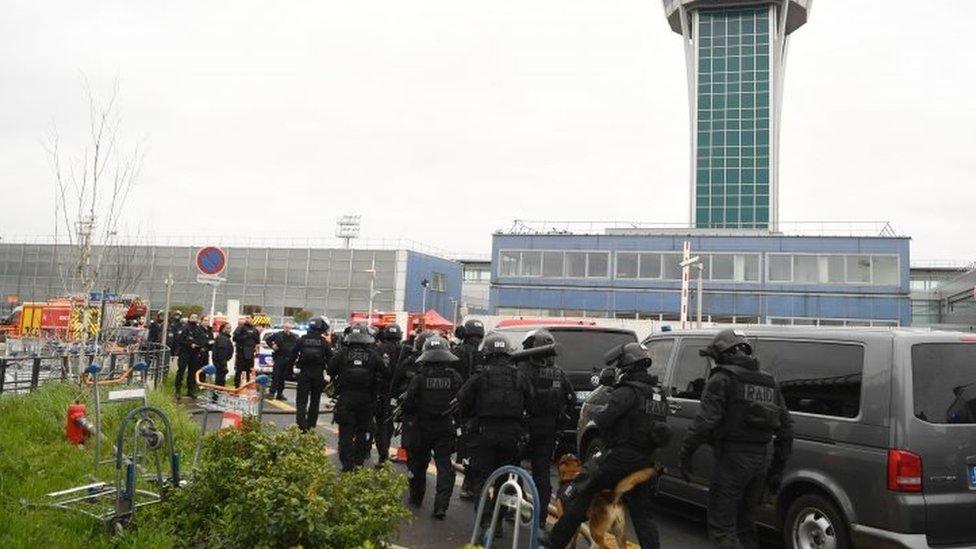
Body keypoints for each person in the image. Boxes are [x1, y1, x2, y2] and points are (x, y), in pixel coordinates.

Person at [547, 343, 672, 549]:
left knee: (583, 495)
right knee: (643, 515)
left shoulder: (627, 392)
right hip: (645, 461)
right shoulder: (657, 394)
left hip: (620, 458)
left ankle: (555, 543)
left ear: (626, 365)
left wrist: (599, 415)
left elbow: (604, 421)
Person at [678, 329, 794, 549]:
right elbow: (786, 430)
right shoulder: (770, 382)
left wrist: (685, 455)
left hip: (732, 460)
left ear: (723, 354)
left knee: (722, 529)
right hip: (761, 460)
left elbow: (704, 423)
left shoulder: (722, 379)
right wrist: (776, 470)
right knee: (744, 524)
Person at [458, 333, 533, 532]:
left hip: (484, 433)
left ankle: (485, 520)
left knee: (482, 478)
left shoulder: (480, 376)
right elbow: (531, 403)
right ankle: (498, 522)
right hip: (512, 435)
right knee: (505, 479)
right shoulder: (520, 376)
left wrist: (470, 419)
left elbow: (462, 400)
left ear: (488, 353)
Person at [401, 336, 464, 519]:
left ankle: (416, 497)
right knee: (444, 466)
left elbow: (408, 405)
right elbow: (461, 403)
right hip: (445, 428)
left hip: (422, 428)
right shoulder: (455, 378)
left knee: (419, 464)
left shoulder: (419, 379)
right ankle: (441, 506)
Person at [518, 329, 574, 525]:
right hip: (549, 430)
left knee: (512, 468)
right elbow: (571, 398)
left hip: (525, 428)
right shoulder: (559, 373)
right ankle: (541, 518)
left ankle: (513, 507)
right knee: (541, 473)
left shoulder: (523, 370)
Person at [328, 323, 384, 471]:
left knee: (345, 432)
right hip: (366, 399)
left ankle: (347, 465)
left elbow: (330, 370)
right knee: (362, 431)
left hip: (346, 397)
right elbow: (385, 372)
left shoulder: (342, 353)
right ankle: (359, 462)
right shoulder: (373, 355)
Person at [451, 319, 487, 500]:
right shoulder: (485, 356)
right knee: (475, 447)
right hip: (478, 410)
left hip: (459, 407)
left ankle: (468, 483)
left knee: (463, 445)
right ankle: (471, 483)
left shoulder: (455, 353)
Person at [288, 317, 333, 432]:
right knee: (315, 401)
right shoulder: (324, 343)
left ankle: (301, 426)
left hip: (304, 373)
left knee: (301, 401)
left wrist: (290, 372)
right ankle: (311, 425)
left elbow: (292, 356)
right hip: (318, 374)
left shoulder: (302, 340)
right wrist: (331, 376)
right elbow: (331, 360)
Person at [373, 323, 405, 466]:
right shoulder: (403, 350)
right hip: (397, 394)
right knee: (390, 424)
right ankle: (384, 450)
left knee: (381, 424)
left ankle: (382, 454)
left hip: (381, 392)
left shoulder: (378, 349)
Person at [175, 313, 210, 398]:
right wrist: (189, 344)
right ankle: (177, 391)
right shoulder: (184, 328)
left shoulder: (198, 329)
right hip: (184, 353)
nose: (194, 319)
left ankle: (190, 390)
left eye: (196, 317)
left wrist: (199, 345)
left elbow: (202, 340)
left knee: (192, 373)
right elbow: (179, 340)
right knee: (181, 371)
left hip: (194, 354)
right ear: (189, 318)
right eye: (192, 317)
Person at [266, 322, 300, 401]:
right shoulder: (278, 335)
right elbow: (268, 340)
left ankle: (280, 394)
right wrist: (272, 345)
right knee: (276, 376)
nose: (287, 329)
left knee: (283, 377)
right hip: (279, 358)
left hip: (288, 359)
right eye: (286, 327)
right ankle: (271, 393)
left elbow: (297, 346)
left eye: (289, 328)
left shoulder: (293, 336)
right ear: (283, 327)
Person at [232, 317, 261, 387]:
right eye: (247, 318)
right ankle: (237, 385)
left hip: (250, 353)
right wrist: (244, 337)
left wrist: (256, 349)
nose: (249, 320)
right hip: (241, 352)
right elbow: (234, 338)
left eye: (250, 319)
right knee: (239, 370)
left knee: (249, 370)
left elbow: (257, 341)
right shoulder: (240, 328)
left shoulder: (254, 330)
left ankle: (248, 385)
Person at [212, 322, 234, 387]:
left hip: (221, 362)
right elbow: (221, 353)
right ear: (223, 329)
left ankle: (218, 394)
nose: (230, 330)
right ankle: (218, 396)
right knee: (220, 381)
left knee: (220, 380)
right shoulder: (222, 338)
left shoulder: (224, 337)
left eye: (230, 328)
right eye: (228, 328)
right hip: (221, 363)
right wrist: (224, 365)